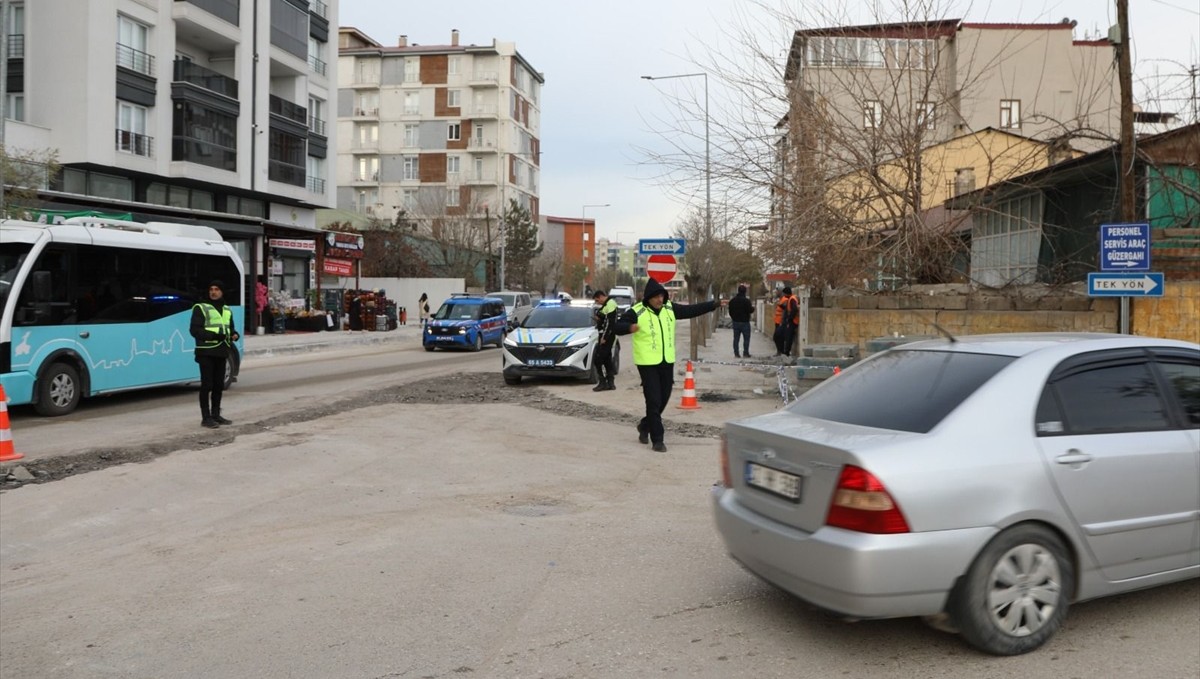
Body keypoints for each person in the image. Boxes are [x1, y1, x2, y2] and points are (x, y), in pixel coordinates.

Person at [616, 278, 724, 453]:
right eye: (657, 297)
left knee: (663, 399)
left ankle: (644, 426)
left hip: (667, 361)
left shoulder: (669, 308)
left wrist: (713, 304)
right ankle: (658, 440)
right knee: (653, 400)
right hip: (647, 363)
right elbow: (617, 326)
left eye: (662, 296)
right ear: (649, 298)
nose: (660, 300)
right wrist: (630, 327)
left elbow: (691, 310)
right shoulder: (637, 311)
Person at [190, 280, 239, 429]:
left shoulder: (227, 309)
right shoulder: (200, 308)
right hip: (206, 351)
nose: (213, 292)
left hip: (222, 351)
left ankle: (216, 414)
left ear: (222, 292)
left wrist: (234, 334)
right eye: (211, 289)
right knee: (207, 385)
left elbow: (230, 329)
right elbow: (195, 330)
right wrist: (215, 336)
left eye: (217, 289)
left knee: (219, 385)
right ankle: (206, 418)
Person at [591, 289, 619, 392]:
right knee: (607, 360)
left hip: (607, 336)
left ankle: (602, 382)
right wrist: (599, 317)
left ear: (601, 296)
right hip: (605, 335)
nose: (598, 303)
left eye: (597, 300)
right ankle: (610, 383)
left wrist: (604, 338)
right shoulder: (607, 304)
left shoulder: (611, 304)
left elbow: (610, 323)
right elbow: (603, 316)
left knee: (598, 360)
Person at [728, 284, 754, 359]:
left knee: (736, 339)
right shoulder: (747, 301)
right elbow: (750, 310)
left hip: (736, 322)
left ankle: (736, 353)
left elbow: (730, 311)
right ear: (745, 292)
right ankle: (745, 353)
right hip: (745, 322)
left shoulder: (732, 301)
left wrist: (734, 318)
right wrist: (753, 309)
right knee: (746, 338)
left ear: (738, 291)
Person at [773, 286, 799, 357]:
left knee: (788, 337)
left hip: (791, 322)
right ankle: (784, 352)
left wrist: (789, 319)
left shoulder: (791, 299)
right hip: (787, 321)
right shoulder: (790, 298)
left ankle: (786, 352)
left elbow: (794, 309)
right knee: (783, 336)